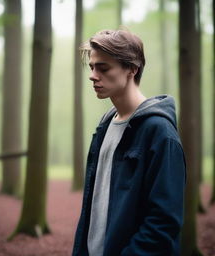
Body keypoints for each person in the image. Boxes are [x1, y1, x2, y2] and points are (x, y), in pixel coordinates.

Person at [72, 29, 186, 256]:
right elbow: (93, 207)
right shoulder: (104, 126)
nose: (93, 75)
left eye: (103, 68)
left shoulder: (160, 133)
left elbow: (163, 223)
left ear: (132, 69)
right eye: (92, 67)